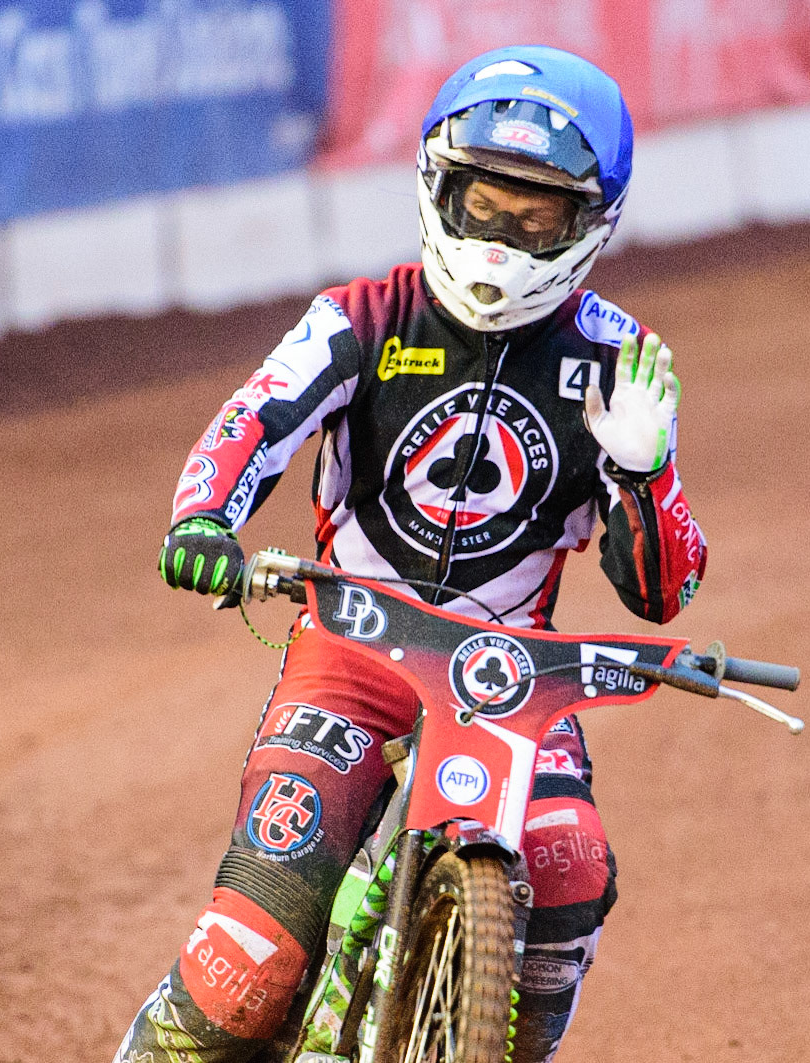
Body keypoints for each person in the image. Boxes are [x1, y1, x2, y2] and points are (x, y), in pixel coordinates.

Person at [116, 44, 708, 1063]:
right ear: (438, 186)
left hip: (507, 672)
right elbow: (251, 424)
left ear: (589, 226)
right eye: (485, 202)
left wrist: (645, 471)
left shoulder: (618, 364)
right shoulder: (357, 319)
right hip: (350, 651)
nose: (503, 237)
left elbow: (661, 592)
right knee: (247, 964)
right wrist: (202, 526)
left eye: (537, 217)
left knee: (568, 865)